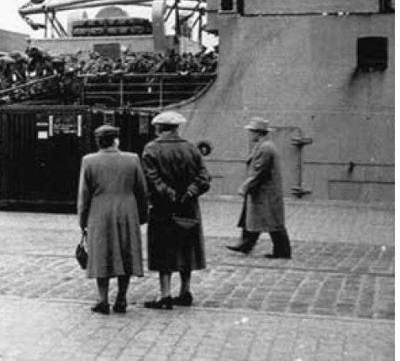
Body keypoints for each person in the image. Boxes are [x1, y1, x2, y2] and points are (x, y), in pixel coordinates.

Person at [140, 110, 211, 309]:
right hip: (188, 207)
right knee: (186, 247)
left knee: (163, 249)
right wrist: (189, 192)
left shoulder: (151, 149)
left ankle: (165, 294)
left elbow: (152, 180)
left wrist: (169, 194)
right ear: (177, 128)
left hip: (162, 208)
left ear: (158, 128)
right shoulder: (191, 149)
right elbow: (204, 179)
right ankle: (185, 291)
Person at [77, 124, 148, 315]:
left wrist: (82, 221)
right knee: (126, 255)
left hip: (99, 213)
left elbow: (84, 195)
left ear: (98, 141)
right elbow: (142, 191)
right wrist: (141, 216)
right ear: (116, 140)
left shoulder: (89, 161)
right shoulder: (132, 159)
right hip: (127, 211)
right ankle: (122, 299)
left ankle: (103, 300)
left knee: (102, 255)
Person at [227, 117, 292, 259]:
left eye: (252, 131)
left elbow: (259, 172)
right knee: (257, 220)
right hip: (263, 192)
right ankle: (246, 245)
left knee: (272, 223)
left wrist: (244, 187)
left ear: (258, 132)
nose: (250, 134)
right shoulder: (264, 146)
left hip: (265, 193)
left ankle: (282, 252)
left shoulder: (265, 148)